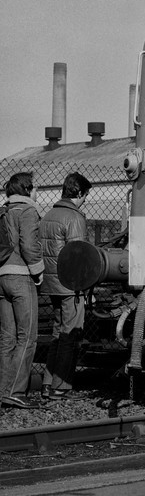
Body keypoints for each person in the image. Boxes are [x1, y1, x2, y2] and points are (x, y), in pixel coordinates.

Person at [39, 172, 91, 401]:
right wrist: (86, 286)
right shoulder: (75, 218)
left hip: (51, 283)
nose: (85, 200)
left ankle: (48, 384)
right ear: (78, 193)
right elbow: (78, 256)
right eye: (85, 196)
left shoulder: (48, 215)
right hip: (70, 285)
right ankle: (62, 387)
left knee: (57, 333)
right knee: (70, 335)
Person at [0, 172, 44, 409]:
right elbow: (29, 245)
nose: (37, 192)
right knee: (27, 336)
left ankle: (2, 389)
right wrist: (38, 271)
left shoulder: (3, 211)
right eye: (35, 187)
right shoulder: (27, 211)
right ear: (27, 189)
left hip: (1, 277)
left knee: (7, 338)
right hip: (20, 276)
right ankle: (16, 391)